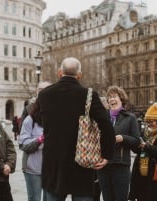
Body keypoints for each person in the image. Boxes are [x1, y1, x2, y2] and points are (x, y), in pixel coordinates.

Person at [38, 57, 116, 201]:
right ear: (79, 75)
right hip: (82, 158)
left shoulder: (44, 94)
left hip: (53, 161)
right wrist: (106, 154)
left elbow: (39, 119)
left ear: (59, 73)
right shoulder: (89, 95)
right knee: (82, 196)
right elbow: (106, 126)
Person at [97, 85, 140, 201]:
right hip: (102, 165)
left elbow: (137, 141)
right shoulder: (102, 117)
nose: (111, 99)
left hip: (120, 165)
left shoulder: (130, 118)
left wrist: (122, 138)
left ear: (121, 98)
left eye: (114, 96)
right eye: (109, 97)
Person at [128, 102, 157, 201]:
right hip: (142, 179)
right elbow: (137, 150)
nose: (149, 123)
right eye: (147, 121)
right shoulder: (144, 133)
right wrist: (134, 144)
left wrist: (147, 147)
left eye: (151, 121)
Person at [18, 98, 45, 201]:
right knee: (35, 198)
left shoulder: (57, 120)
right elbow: (23, 144)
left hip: (52, 170)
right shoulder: (30, 120)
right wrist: (40, 139)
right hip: (34, 169)